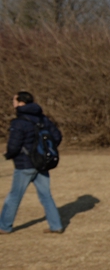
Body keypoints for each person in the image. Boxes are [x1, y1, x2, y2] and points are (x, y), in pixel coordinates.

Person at [1, 92, 64, 234]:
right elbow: (57, 136)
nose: (13, 103)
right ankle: (56, 226)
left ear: (21, 103)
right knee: (46, 196)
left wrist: (8, 154)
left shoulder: (19, 122)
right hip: (42, 163)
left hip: (25, 165)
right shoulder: (43, 118)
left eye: (14, 100)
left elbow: (14, 145)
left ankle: (4, 226)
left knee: (14, 196)